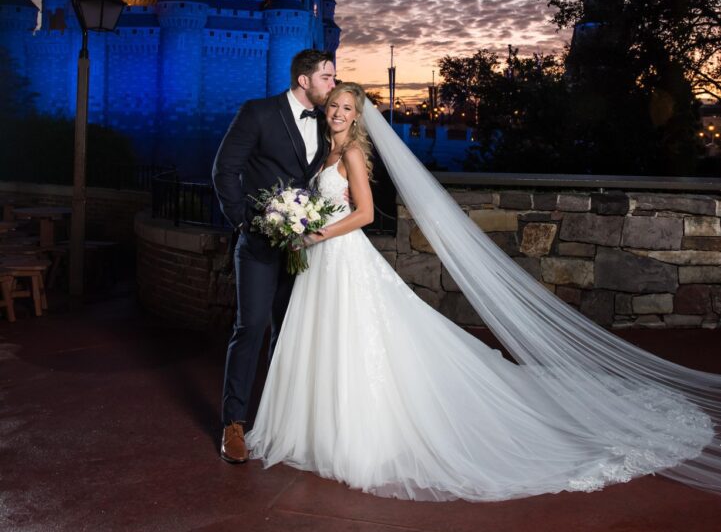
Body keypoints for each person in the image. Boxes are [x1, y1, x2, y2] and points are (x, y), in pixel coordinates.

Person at [246, 82, 721, 502]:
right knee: (322, 339)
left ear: (358, 115)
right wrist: (298, 222)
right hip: (318, 261)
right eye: (335, 106)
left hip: (341, 256)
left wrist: (315, 234)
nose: (339, 113)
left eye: (348, 108)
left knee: (358, 338)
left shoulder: (350, 153)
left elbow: (367, 215)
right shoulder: (322, 151)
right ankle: (312, 429)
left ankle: (354, 436)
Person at [212, 49, 336, 464]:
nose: (332, 85)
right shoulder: (258, 112)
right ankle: (233, 423)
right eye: (327, 78)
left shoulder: (326, 120)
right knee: (251, 328)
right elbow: (224, 170)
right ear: (304, 80)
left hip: (306, 247)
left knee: (291, 333)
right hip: (260, 244)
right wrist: (245, 223)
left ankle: (281, 420)